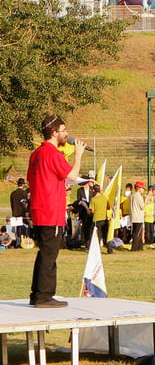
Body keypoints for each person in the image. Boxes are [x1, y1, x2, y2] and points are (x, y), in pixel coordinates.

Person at [28, 113, 85, 308]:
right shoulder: (52, 153)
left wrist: (59, 186)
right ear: (54, 132)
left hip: (39, 208)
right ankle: (44, 296)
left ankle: (36, 294)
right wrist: (78, 155)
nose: (66, 134)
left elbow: (38, 179)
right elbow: (72, 174)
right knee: (50, 254)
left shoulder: (36, 154)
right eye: (63, 130)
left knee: (44, 252)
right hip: (50, 209)